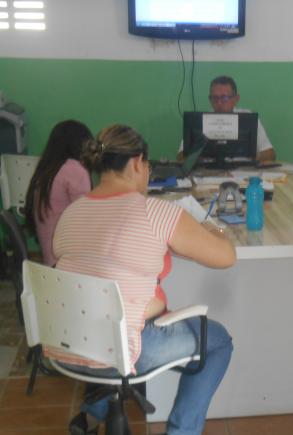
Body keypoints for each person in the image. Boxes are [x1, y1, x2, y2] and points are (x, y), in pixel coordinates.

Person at [50, 124, 236, 435]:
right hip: (129, 347)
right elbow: (226, 256)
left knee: (111, 330)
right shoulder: (154, 212)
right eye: (148, 166)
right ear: (138, 163)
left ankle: (90, 416)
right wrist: (211, 228)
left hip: (69, 342)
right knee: (217, 341)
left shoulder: (70, 213)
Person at [24, 120, 93, 267]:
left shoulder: (47, 169)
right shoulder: (75, 170)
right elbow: (88, 221)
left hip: (51, 265)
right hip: (66, 265)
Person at [177, 75, 276, 162]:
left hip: (242, 172)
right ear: (210, 99)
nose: (219, 103)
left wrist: (253, 157)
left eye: (224, 98)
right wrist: (197, 155)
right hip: (208, 172)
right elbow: (180, 157)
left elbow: (270, 154)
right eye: (215, 98)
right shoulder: (200, 121)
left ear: (236, 99)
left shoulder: (248, 119)